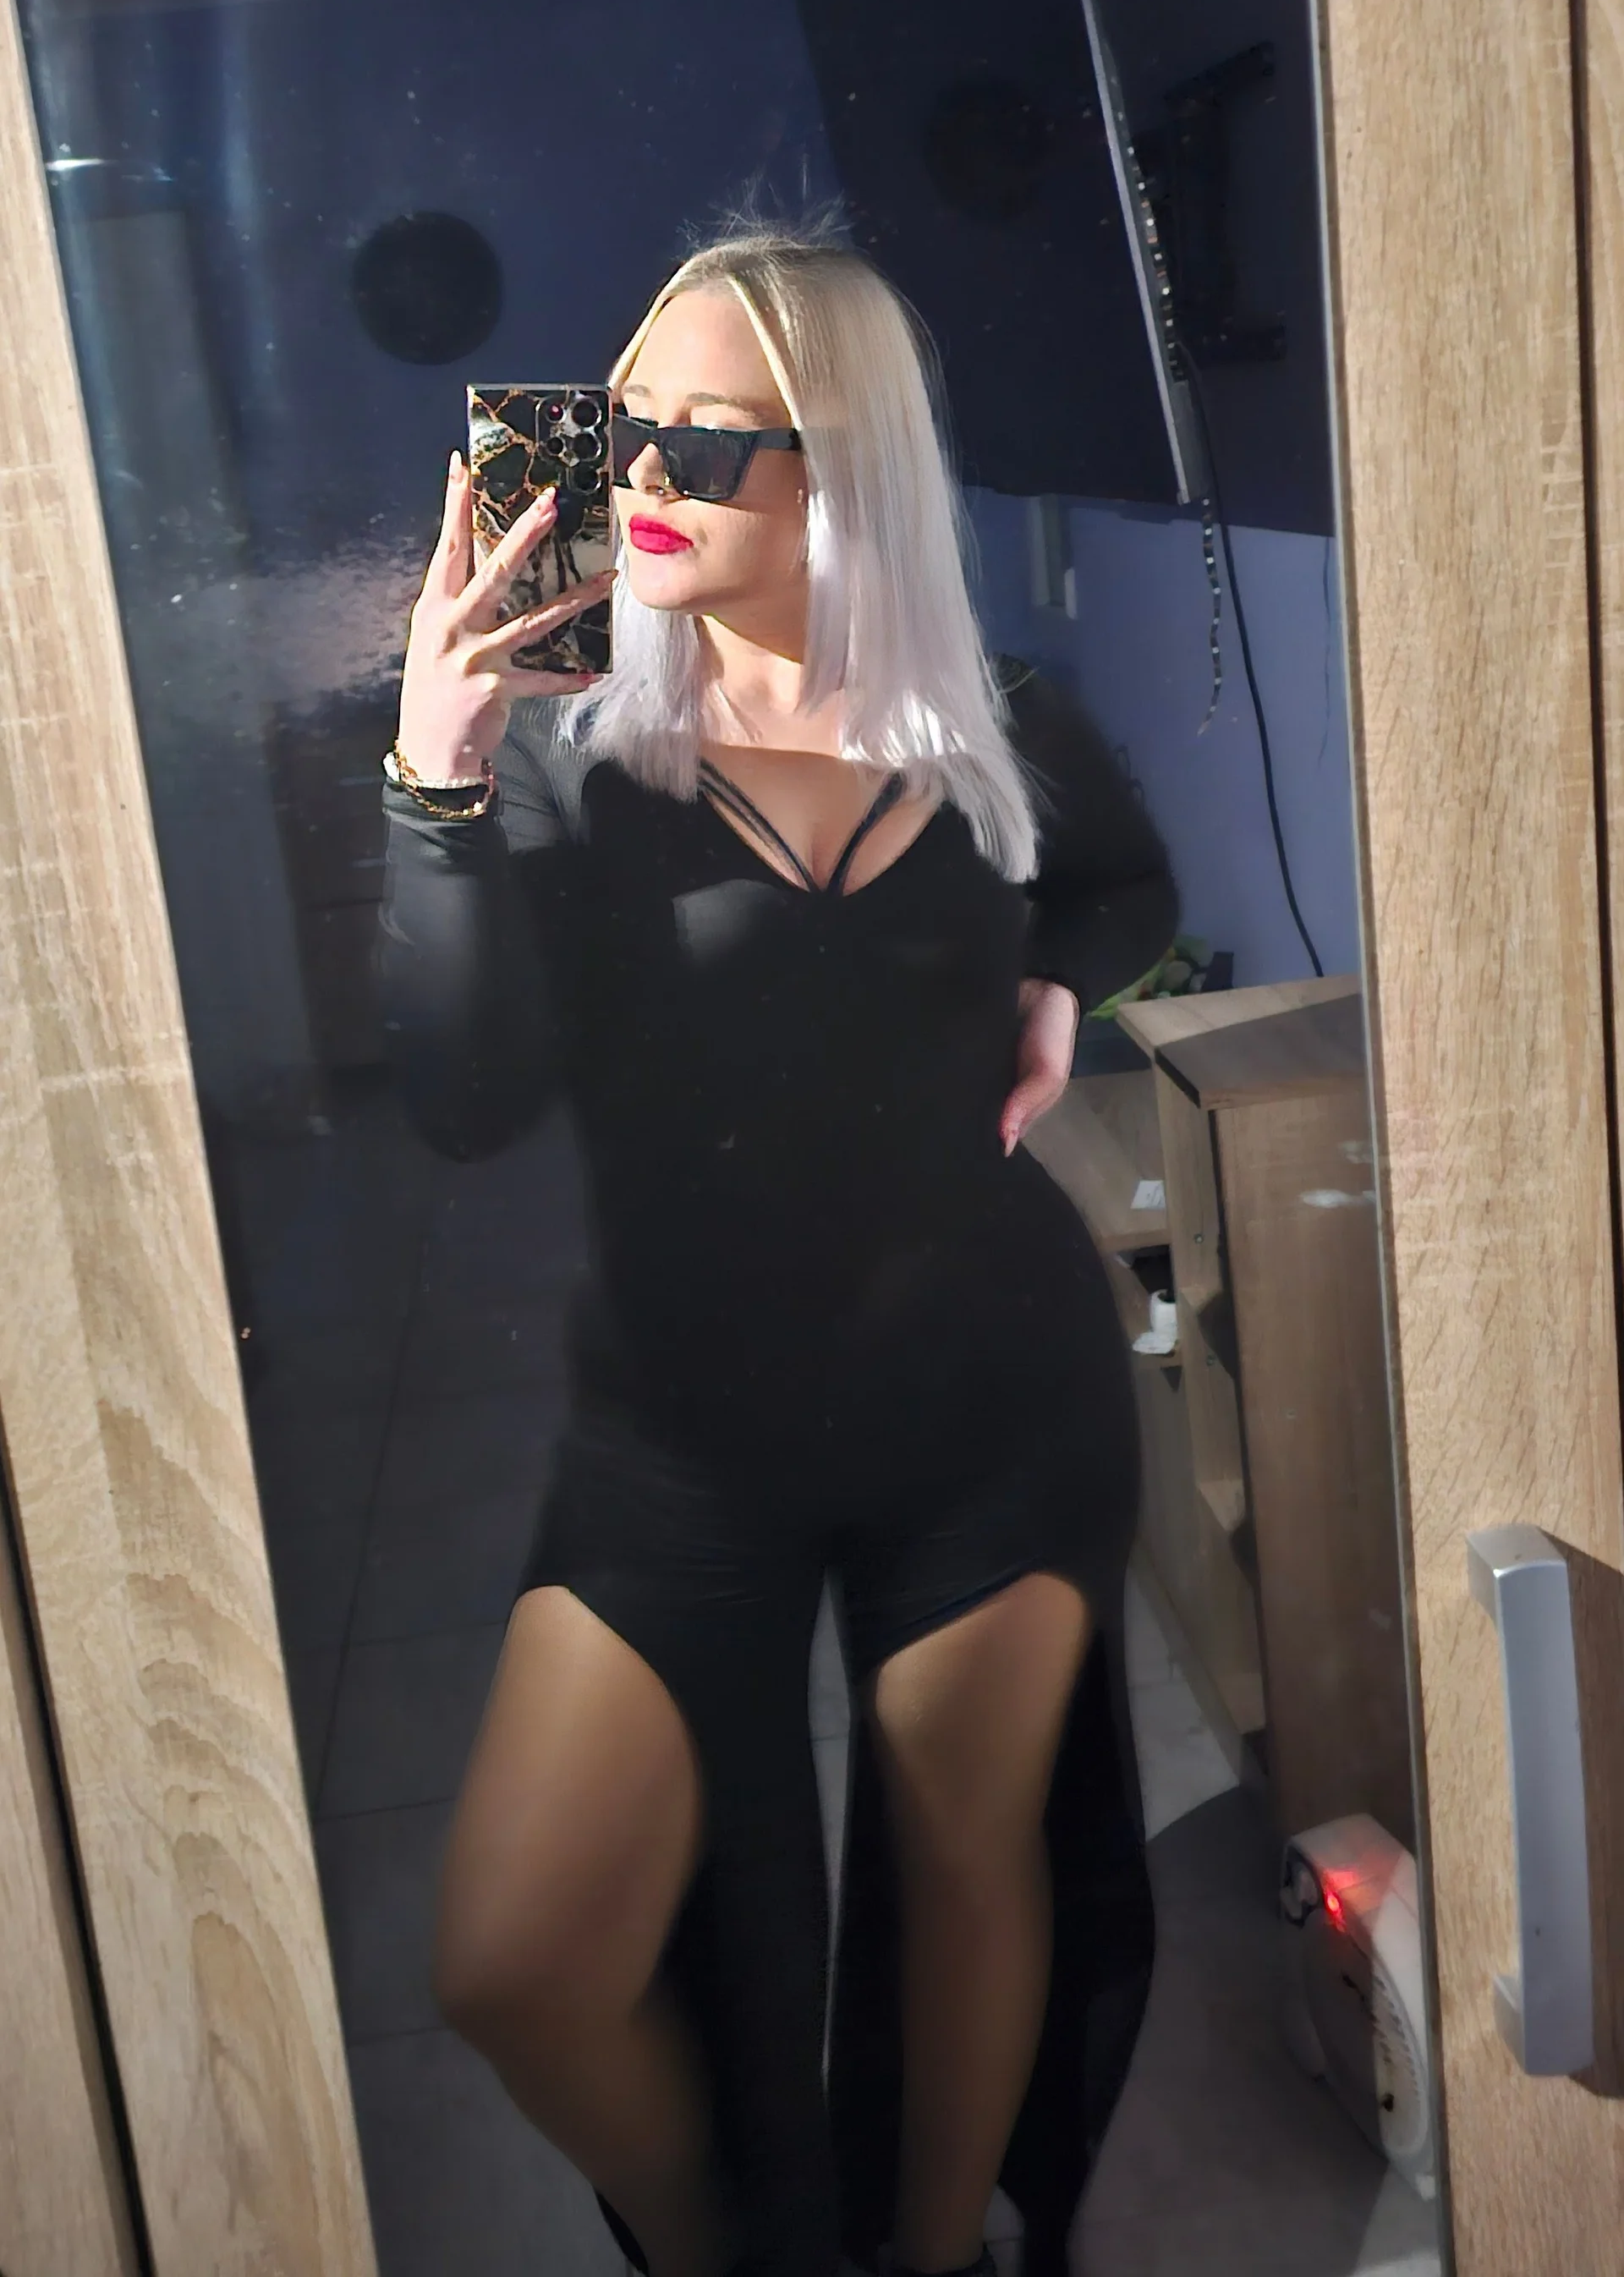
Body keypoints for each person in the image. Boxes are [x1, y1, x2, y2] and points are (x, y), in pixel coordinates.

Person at [376, 218, 1177, 2277]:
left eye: (705, 442)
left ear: (844, 470)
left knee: (971, 1856)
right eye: (622, 426)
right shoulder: (570, 766)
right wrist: (435, 773)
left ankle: (937, 2255)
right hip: (683, 1429)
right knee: (520, 1959)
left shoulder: (994, 721)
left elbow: (1122, 880)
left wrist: (1058, 980)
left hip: (992, 1396)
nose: (640, 476)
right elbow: (465, 1096)